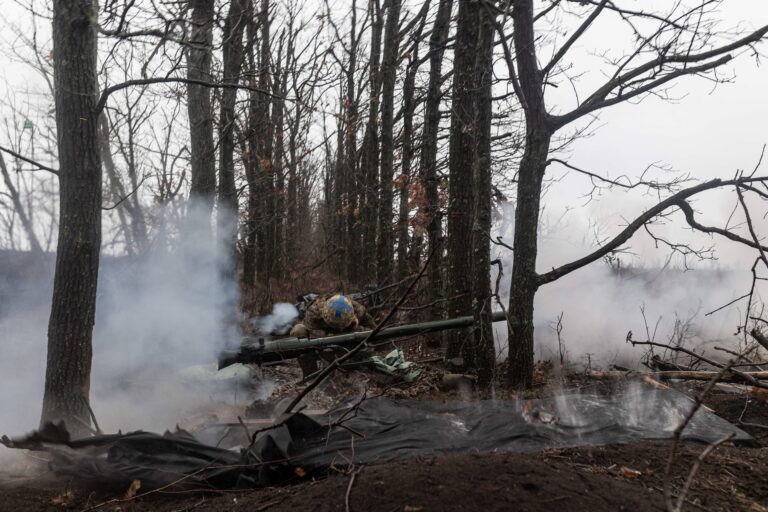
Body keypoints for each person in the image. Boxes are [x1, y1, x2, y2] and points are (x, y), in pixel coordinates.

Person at [289, 293, 376, 376]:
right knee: (298, 330)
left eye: (340, 326)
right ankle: (311, 375)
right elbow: (314, 338)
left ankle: (354, 368)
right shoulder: (314, 312)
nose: (338, 328)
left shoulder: (358, 310)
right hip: (324, 342)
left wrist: (356, 331)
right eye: (334, 325)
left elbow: (374, 331)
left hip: (349, 340)